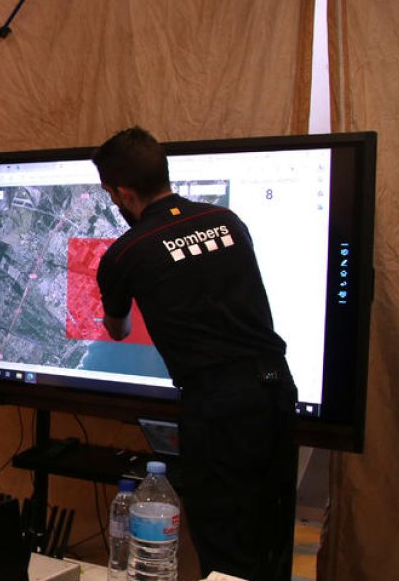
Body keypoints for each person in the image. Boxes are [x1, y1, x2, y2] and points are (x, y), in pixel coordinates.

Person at [92, 127, 298, 581]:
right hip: (276, 389)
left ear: (122, 193)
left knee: (225, 547)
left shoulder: (126, 252)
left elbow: (120, 328)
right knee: (273, 536)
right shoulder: (228, 220)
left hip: (219, 405)